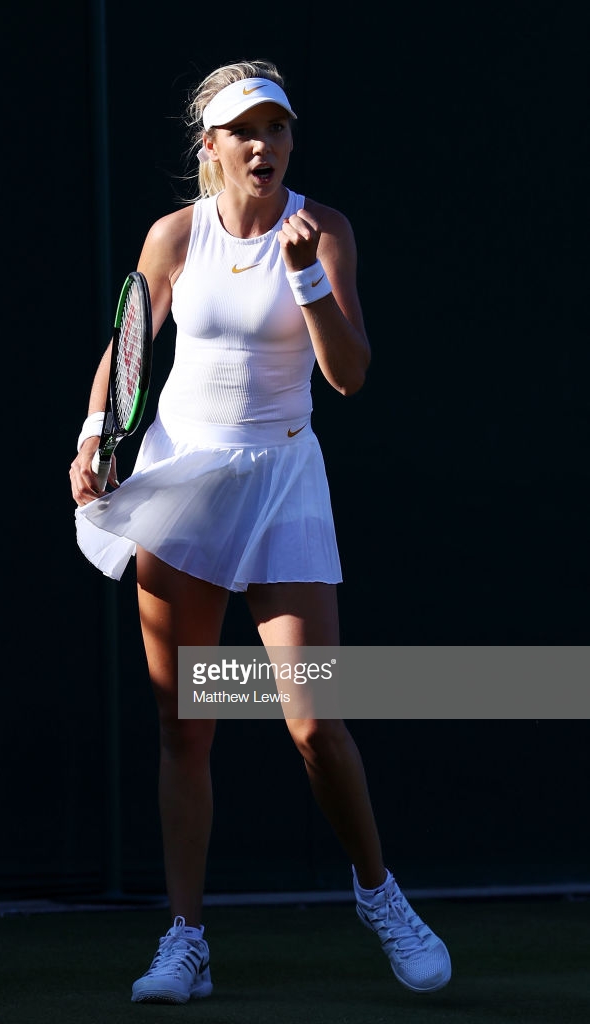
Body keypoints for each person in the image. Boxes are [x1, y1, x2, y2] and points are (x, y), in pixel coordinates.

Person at [69, 59, 451, 1005]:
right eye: (243, 130)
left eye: (275, 128)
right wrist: (93, 434)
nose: (262, 145)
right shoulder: (175, 235)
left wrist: (307, 277)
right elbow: (127, 347)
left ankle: (378, 895)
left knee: (315, 722)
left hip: (283, 483)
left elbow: (349, 376)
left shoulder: (325, 230)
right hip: (184, 483)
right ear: (211, 145)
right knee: (184, 724)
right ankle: (185, 941)